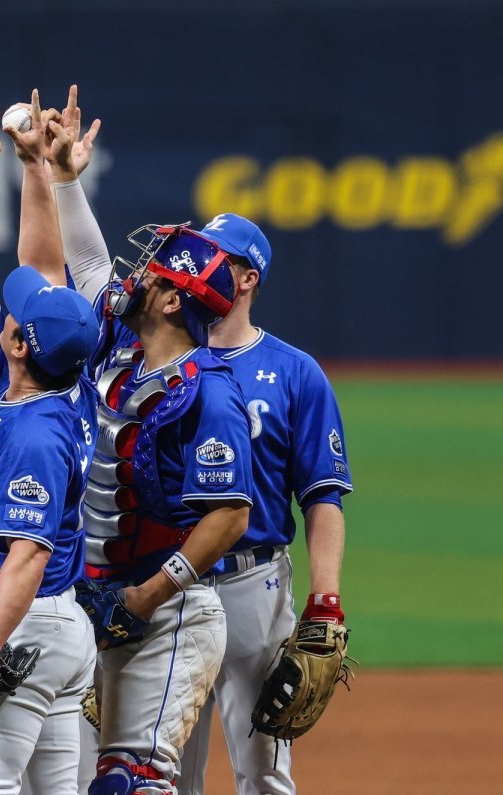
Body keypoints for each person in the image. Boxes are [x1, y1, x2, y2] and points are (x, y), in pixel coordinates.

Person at [45, 88, 255, 795]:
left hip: (169, 616)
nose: (134, 274)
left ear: (171, 299)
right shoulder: (123, 346)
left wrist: (148, 597)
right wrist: (66, 180)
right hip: (99, 606)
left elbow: (230, 514)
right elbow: (89, 268)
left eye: (153, 268)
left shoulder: (208, 392)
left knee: (130, 782)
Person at [0, 93, 100, 795]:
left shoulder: (34, 432)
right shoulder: (60, 385)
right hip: (56, 627)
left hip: (20, 619)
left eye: (17, 312)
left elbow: (28, 553)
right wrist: (33, 165)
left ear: (14, 341)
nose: (12, 303)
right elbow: (44, 265)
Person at [176, 214, 354, 795]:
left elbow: (322, 495)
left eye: (215, 258)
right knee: (165, 772)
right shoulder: (163, 357)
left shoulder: (297, 373)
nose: (197, 265)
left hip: (254, 590)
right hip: (171, 585)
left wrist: (325, 602)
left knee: (264, 773)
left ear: (247, 278)